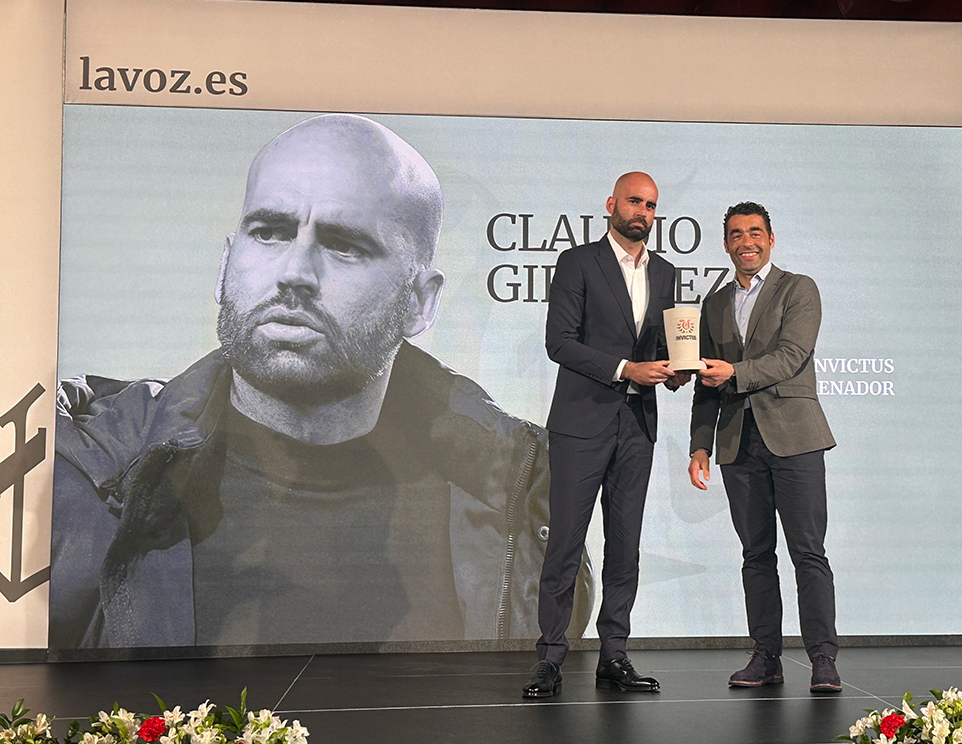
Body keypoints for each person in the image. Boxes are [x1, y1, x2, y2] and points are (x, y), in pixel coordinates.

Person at [49, 114, 593, 649]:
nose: (294, 273)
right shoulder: (89, 472)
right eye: (268, 232)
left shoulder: (520, 491)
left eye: (343, 244)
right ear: (224, 266)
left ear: (420, 302)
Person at [522, 172, 687, 698]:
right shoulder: (577, 262)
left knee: (626, 545)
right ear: (612, 204)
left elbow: (661, 343)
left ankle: (614, 654)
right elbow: (560, 343)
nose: (643, 211)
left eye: (652, 205)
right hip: (581, 423)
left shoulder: (665, 272)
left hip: (638, 426)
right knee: (565, 542)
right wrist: (625, 369)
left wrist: (678, 370)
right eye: (635, 201)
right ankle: (550, 658)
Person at [687, 201, 841, 693]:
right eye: (736, 234)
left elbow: (792, 356)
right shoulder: (713, 305)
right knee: (756, 555)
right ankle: (766, 656)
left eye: (755, 232)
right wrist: (699, 445)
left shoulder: (799, 289)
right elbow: (703, 382)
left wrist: (736, 372)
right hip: (738, 442)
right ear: (726, 243)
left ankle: (822, 658)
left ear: (771, 239)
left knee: (808, 553)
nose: (746, 241)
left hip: (795, 438)